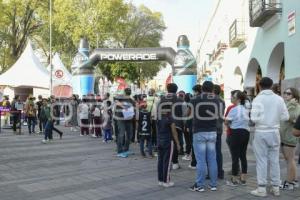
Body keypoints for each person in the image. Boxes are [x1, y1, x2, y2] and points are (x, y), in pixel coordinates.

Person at [250, 77, 289, 197]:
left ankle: (262, 189)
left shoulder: (257, 99)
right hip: (275, 132)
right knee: (274, 160)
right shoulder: (279, 99)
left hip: (261, 132)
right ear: (272, 85)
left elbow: (253, 118)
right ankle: (276, 187)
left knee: (261, 160)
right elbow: (285, 117)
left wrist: (263, 119)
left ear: (260, 86)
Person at [189, 81, 220, 192]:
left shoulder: (195, 99)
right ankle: (213, 184)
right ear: (212, 89)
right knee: (212, 159)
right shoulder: (217, 99)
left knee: (201, 160)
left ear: (202, 88)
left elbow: (189, 113)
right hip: (212, 131)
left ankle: (200, 185)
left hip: (199, 131)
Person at [225, 91, 250, 186]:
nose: (232, 98)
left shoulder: (234, 109)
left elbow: (226, 122)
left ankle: (234, 179)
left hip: (236, 133)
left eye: (233, 97)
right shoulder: (245, 109)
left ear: (239, 99)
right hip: (246, 133)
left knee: (235, 157)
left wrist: (230, 123)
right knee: (243, 155)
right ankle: (243, 178)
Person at [157, 92, 181, 188]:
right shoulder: (169, 118)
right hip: (168, 141)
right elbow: (174, 132)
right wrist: (178, 144)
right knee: (167, 161)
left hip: (159, 140)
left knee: (160, 161)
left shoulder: (158, 117)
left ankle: (160, 180)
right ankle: (166, 181)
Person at [158, 83, 184, 170]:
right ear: (176, 90)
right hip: (177, 124)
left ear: (167, 89)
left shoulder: (161, 99)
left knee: (166, 142)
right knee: (176, 142)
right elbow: (184, 113)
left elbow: (158, 112)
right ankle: (175, 163)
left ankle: (166, 161)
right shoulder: (180, 100)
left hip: (164, 124)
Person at [279, 87, 300, 190]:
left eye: (288, 93)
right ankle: (294, 181)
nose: (286, 95)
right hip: (285, 136)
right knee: (289, 160)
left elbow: (293, 118)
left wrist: (291, 105)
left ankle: (289, 183)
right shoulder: (288, 105)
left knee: (290, 161)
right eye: (285, 93)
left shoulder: (295, 106)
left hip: (290, 137)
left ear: (294, 96)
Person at [114, 88, 136, 158]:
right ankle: (119, 151)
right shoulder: (121, 97)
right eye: (127, 91)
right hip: (120, 118)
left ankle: (126, 149)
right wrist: (124, 106)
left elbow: (134, 108)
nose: (128, 92)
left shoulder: (132, 100)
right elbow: (116, 101)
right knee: (121, 134)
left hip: (128, 119)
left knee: (130, 134)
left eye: (129, 91)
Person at [213, 84, 225, 179]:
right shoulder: (222, 100)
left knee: (210, 152)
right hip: (219, 128)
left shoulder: (211, 100)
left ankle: (213, 172)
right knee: (218, 151)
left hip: (211, 128)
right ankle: (220, 172)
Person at [188, 84, 202, 170]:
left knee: (195, 145)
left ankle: (194, 163)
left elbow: (188, 113)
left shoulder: (193, 100)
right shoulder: (208, 99)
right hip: (207, 127)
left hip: (195, 125)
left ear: (196, 91)